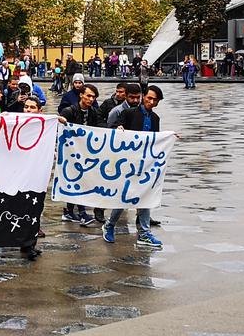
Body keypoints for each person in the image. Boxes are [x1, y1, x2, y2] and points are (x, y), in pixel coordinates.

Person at [105, 85, 167, 249]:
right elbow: (112, 129)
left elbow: (156, 140)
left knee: (145, 196)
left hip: (145, 164)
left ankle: (144, 233)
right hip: (127, 162)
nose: (151, 102)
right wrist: (118, 128)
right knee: (124, 197)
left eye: (155, 100)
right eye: (149, 98)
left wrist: (169, 138)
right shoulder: (128, 113)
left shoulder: (155, 119)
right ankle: (110, 225)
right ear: (143, 97)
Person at [58, 85, 102, 225]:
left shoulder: (94, 112)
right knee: (76, 180)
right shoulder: (69, 111)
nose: (90, 99)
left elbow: (100, 127)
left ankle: (70, 211)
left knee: (80, 180)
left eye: (93, 97)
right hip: (71, 152)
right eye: (88, 96)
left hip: (86, 152)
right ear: (81, 95)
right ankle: (81, 212)